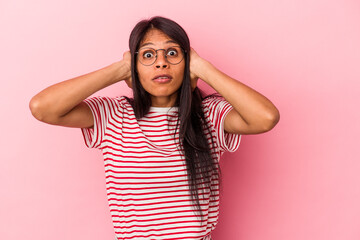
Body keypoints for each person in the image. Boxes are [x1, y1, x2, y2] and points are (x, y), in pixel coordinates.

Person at [30, 16, 279, 240]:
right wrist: (119, 70)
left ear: (188, 63)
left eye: (172, 54)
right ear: (135, 66)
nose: (161, 63)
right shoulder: (114, 115)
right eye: (148, 55)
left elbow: (266, 117)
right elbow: (43, 107)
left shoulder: (210, 115)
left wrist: (205, 69)